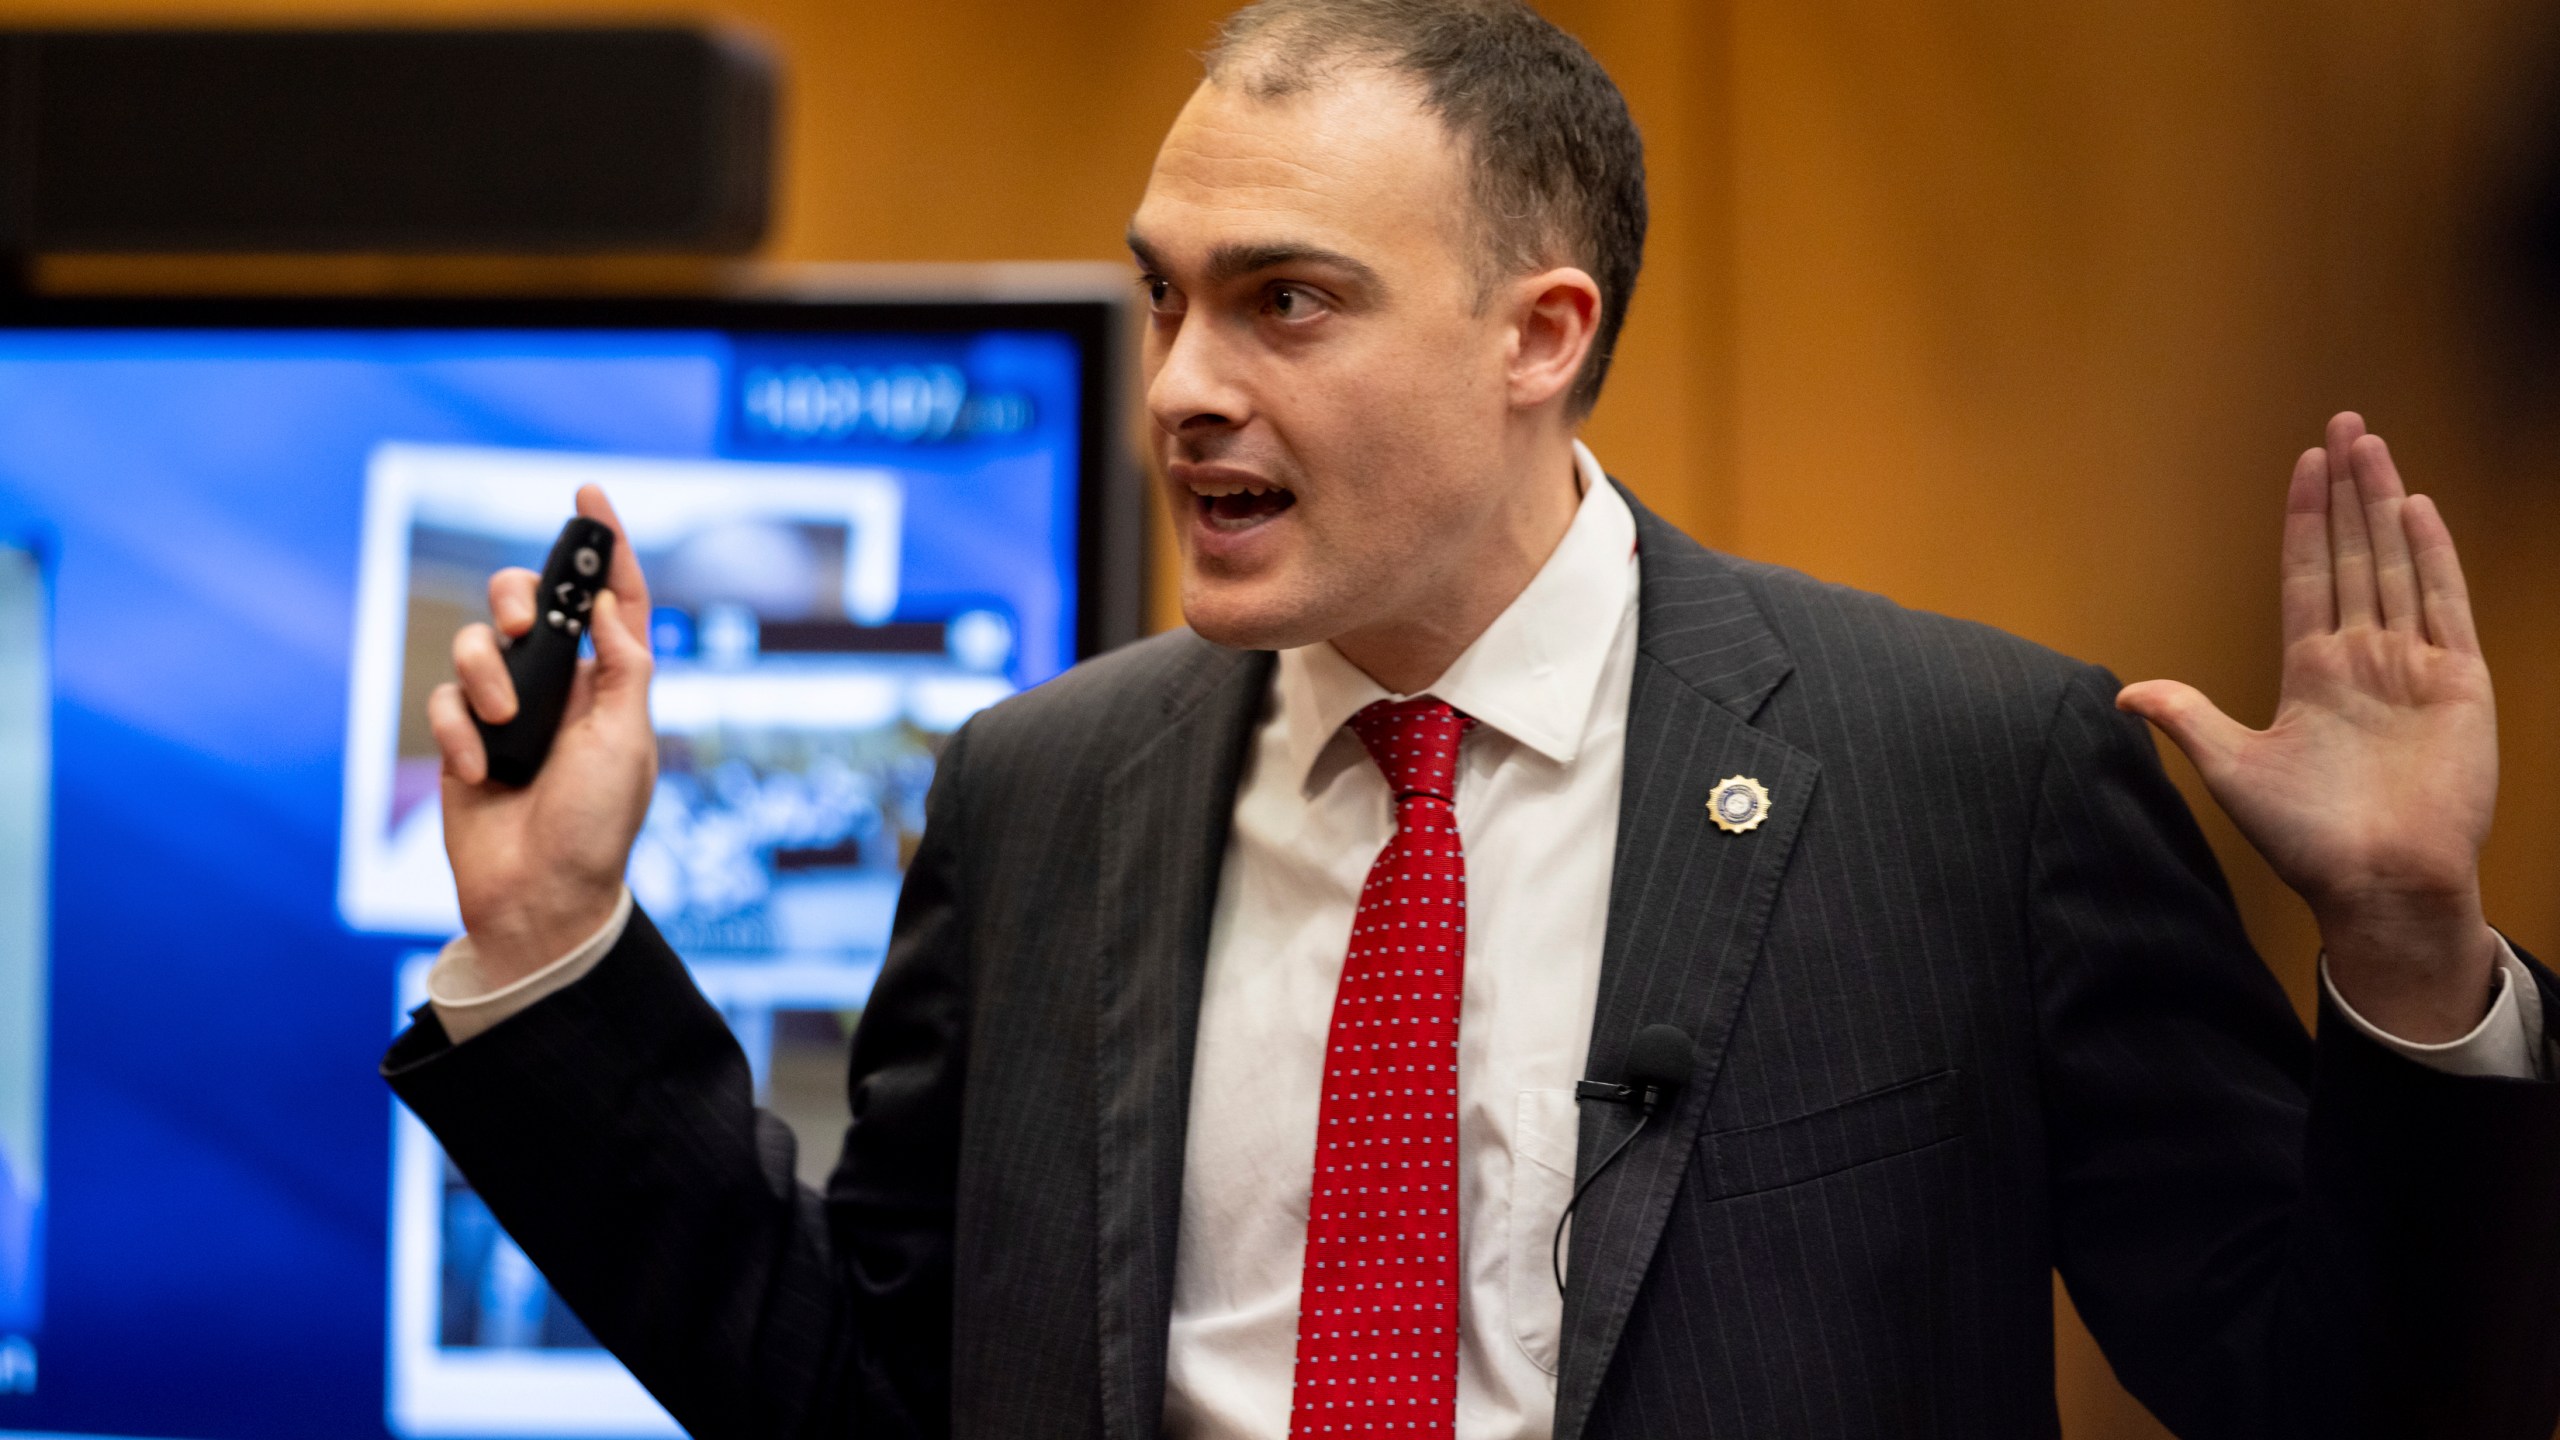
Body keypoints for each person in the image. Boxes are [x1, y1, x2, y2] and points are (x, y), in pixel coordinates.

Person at [384, 1, 2560, 1436]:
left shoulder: (1963, 778)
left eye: (1284, 301)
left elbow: (2339, 1399)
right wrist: (560, 949)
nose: (1178, 387)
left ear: (1541, 333)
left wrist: (2402, 960)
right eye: (1163, 294)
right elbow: (854, 1396)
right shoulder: (1038, 796)